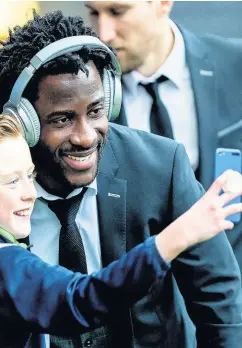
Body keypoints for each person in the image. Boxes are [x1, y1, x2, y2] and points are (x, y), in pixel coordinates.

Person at [0, 9, 241, 347]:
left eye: (96, 111)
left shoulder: (161, 166)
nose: (86, 136)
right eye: (62, 119)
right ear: (22, 123)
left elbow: (221, 303)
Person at [85, 1, 242, 270]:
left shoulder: (234, 64)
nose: (104, 33)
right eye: (94, 12)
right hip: (142, 293)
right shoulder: (88, 91)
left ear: (162, 4)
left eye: (117, 12)